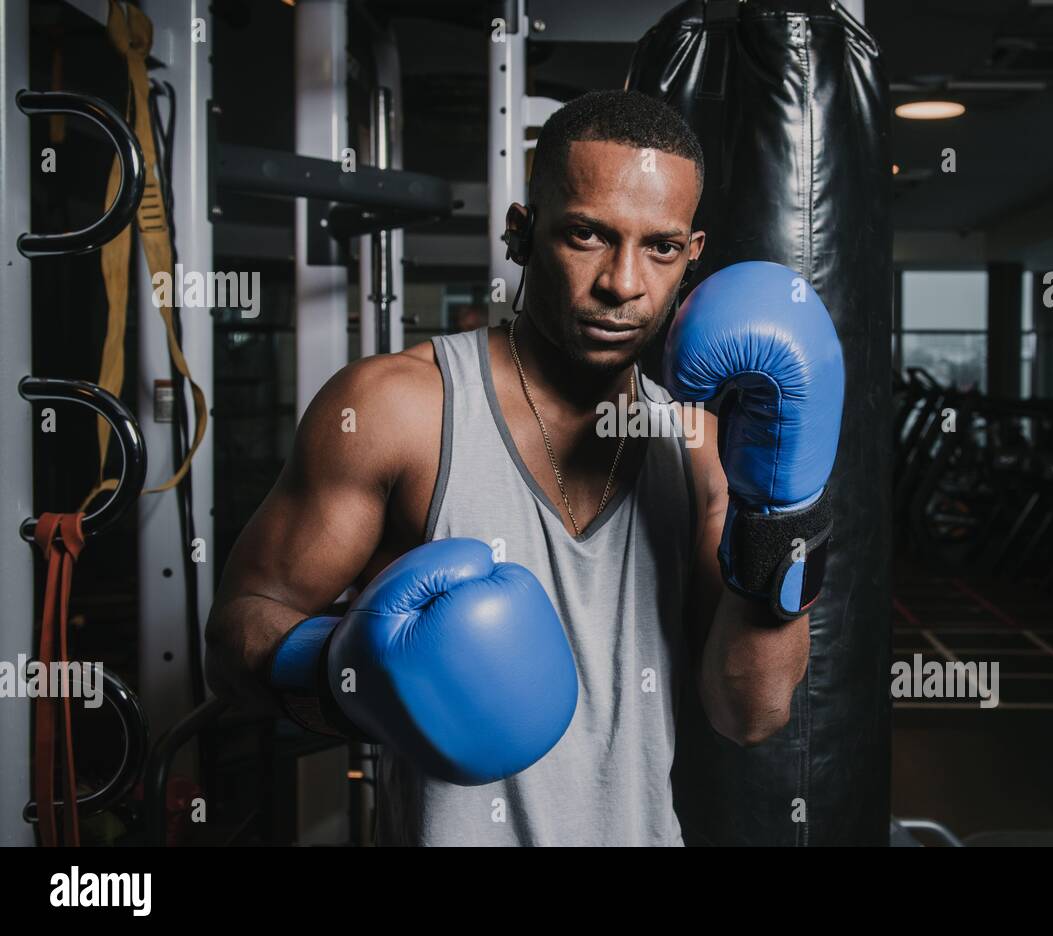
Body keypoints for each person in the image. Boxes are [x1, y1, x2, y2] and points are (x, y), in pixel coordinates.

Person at [205, 89, 841, 846]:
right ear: (521, 233)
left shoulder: (698, 440)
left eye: (660, 248)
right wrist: (341, 672)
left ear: (692, 256)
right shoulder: (397, 411)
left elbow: (751, 714)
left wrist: (783, 509)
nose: (624, 284)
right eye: (587, 236)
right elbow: (233, 634)